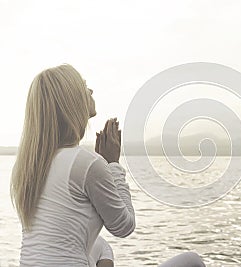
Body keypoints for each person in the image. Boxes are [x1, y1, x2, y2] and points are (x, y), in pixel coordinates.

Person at [10, 64, 205, 267]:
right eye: (84, 86)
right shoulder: (85, 162)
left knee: (101, 246)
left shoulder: (28, 167)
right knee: (192, 261)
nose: (91, 90)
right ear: (71, 101)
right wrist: (113, 164)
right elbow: (124, 226)